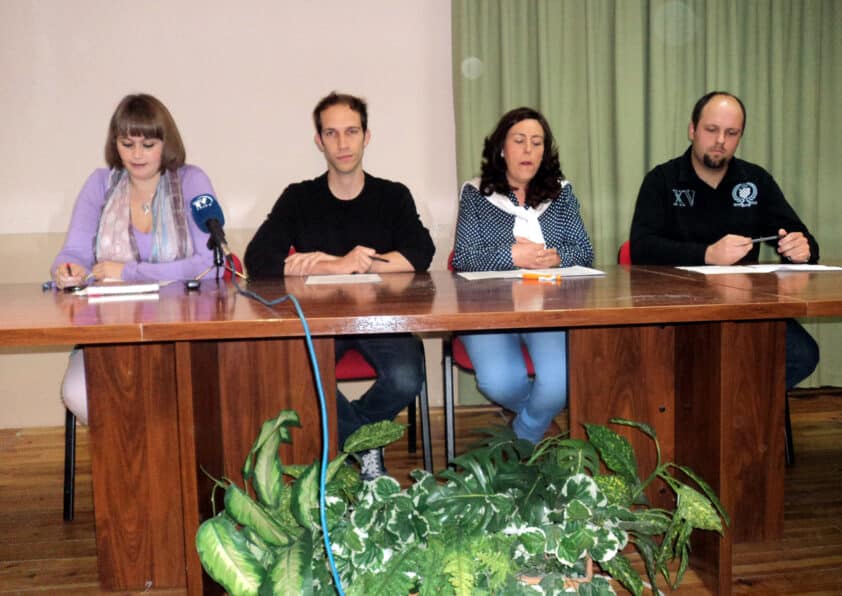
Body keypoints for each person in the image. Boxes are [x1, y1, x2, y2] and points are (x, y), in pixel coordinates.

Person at [245, 92, 435, 479]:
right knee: (295, 376)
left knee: (406, 377)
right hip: (318, 321)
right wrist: (339, 264)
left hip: (379, 318)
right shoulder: (299, 197)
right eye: (331, 133)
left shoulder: (392, 195)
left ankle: (351, 443)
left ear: (367, 136)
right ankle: (366, 447)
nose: (343, 143)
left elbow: (420, 253)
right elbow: (258, 260)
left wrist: (339, 265)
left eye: (351, 132)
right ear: (319, 141)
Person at [629, 90, 819, 388]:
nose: (720, 141)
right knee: (684, 362)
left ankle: (740, 413)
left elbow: (800, 236)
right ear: (692, 130)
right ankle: (725, 411)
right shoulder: (662, 180)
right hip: (679, 307)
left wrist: (801, 249)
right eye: (712, 130)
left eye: (731, 133)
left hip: (746, 308)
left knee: (802, 355)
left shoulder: (755, 181)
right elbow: (641, 248)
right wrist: (706, 254)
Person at [52, 93, 218, 423]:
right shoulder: (100, 184)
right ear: (116, 145)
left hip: (182, 335)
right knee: (77, 393)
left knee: (189, 394)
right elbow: (74, 253)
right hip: (109, 336)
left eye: (148, 144)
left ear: (166, 143)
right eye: (127, 144)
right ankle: (130, 466)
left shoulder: (191, 181)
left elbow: (209, 265)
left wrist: (129, 272)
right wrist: (66, 269)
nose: (137, 155)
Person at [452, 107, 594, 444]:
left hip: (547, 306)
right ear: (502, 148)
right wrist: (512, 255)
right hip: (489, 308)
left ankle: (520, 440)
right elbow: (464, 257)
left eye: (537, 142)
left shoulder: (561, 193)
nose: (529, 150)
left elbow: (585, 251)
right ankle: (541, 423)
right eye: (520, 141)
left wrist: (556, 257)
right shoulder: (476, 194)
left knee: (560, 381)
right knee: (497, 381)